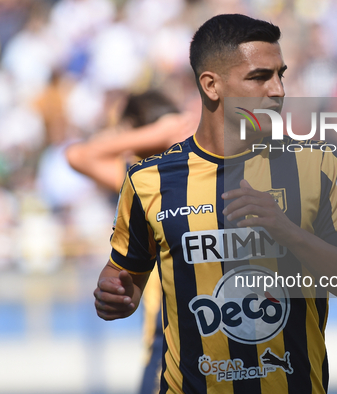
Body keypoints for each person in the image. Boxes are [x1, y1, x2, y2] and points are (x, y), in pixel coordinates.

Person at [93, 14, 337, 394]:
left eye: (281, 74)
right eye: (259, 77)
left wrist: (287, 232)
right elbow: (124, 284)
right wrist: (112, 295)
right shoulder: (149, 180)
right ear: (211, 85)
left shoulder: (318, 166)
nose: (277, 90)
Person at [67, 90, 196, 394]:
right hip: (165, 341)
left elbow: (80, 155)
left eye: (123, 131)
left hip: (171, 345)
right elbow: (76, 156)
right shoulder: (142, 178)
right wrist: (157, 133)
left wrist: (154, 133)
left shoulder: (169, 176)